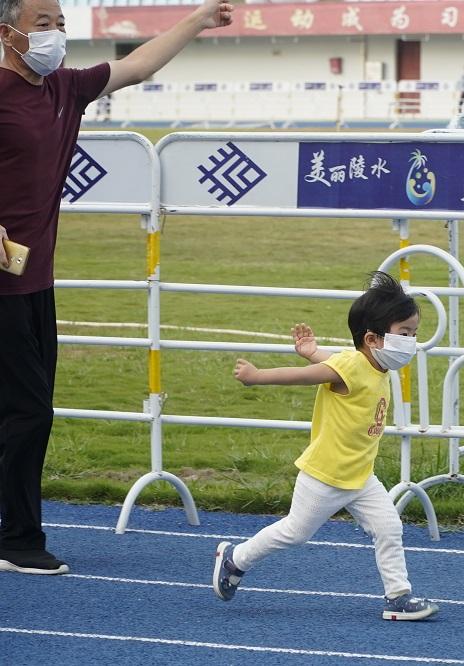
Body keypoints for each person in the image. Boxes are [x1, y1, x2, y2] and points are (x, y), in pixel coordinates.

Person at [0, 0, 232, 576]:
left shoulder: (65, 89)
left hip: (32, 281)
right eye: (42, 23)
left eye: (61, 23)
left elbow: (138, 65)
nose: (56, 34)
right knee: (27, 412)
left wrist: (199, 19)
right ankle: (19, 539)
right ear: (9, 33)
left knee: (24, 411)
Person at [213, 272, 439, 622]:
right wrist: (258, 377)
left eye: (414, 333)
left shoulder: (372, 364)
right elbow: (312, 375)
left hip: (361, 476)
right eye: (405, 333)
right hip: (326, 475)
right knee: (294, 532)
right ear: (372, 338)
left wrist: (311, 351)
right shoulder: (352, 364)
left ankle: (398, 597)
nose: (411, 341)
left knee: (389, 527)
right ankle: (235, 560)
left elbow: (331, 361)